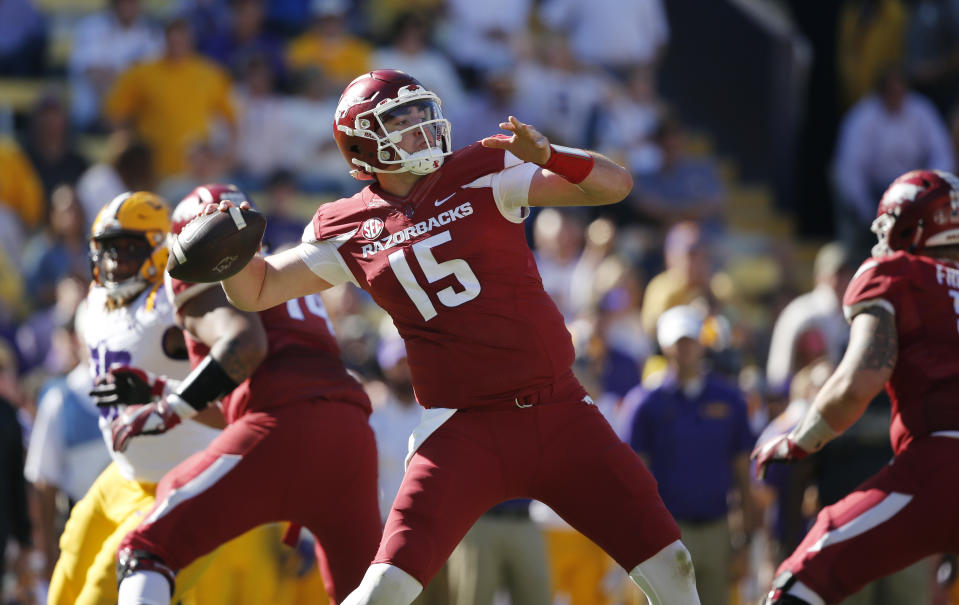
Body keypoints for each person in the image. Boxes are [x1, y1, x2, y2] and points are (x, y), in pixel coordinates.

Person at [213, 69, 700, 605]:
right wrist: (227, 253)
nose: (422, 128)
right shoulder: (346, 226)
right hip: (462, 430)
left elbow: (615, 185)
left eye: (423, 113)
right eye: (401, 121)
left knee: (670, 564)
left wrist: (550, 155)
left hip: (559, 409)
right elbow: (257, 290)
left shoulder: (481, 168)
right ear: (363, 146)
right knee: (384, 588)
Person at [105, 183, 381, 605]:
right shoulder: (277, 269)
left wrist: (169, 408)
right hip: (351, 437)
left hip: (283, 428)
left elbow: (245, 347)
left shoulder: (208, 266)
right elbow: (239, 401)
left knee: (146, 549)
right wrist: (165, 389)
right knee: (366, 595)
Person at [752, 169, 959, 604]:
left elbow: (859, 379)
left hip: (940, 463)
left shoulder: (897, 273)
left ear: (912, 225)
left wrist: (801, 440)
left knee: (803, 577)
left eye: (888, 224)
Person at [50, 190, 224, 605]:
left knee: (100, 592)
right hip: (123, 474)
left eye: (127, 249)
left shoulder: (176, 304)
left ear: (160, 249)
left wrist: (162, 391)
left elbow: (235, 407)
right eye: (106, 251)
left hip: (183, 478)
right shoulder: (92, 304)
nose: (114, 262)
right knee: (66, 575)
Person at [627, 305, 755, 605]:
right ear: (664, 346)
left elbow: (742, 473)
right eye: (678, 342)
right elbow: (634, 480)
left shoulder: (730, 399)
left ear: (702, 342)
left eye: (690, 340)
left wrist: (745, 539)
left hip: (717, 528)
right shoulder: (645, 403)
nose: (685, 349)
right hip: (666, 535)